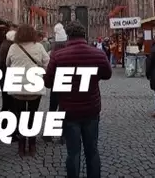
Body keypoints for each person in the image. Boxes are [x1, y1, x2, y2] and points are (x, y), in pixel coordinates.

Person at [44, 21, 112, 178]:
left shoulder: (58, 55)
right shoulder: (98, 53)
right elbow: (107, 74)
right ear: (85, 35)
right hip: (91, 108)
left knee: (73, 152)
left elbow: (47, 82)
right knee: (92, 151)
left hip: (69, 110)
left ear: (68, 36)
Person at [6, 24, 49, 156]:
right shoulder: (39, 46)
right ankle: (32, 145)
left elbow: (7, 63)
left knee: (19, 116)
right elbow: (47, 63)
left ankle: (21, 146)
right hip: (34, 88)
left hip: (18, 88)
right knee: (32, 115)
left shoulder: (13, 47)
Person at [43, 27, 67, 143]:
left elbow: (50, 71)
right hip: (67, 85)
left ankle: (48, 134)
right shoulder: (69, 52)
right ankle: (63, 135)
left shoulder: (53, 54)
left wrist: (47, 82)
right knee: (64, 109)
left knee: (52, 108)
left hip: (55, 85)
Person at [0, 28, 17, 141]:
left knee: (6, 105)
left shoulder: (3, 46)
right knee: (12, 106)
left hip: (4, 80)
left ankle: (3, 127)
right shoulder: (11, 47)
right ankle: (11, 131)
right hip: (10, 79)